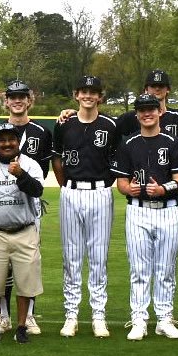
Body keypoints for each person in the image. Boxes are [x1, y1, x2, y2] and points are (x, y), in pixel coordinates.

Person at [112, 94, 178, 341]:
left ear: (159, 112)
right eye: (142, 110)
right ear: (137, 114)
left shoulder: (173, 142)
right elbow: (121, 182)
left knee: (166, 268)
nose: (147, 113)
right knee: (139, 268)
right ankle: (139, 319)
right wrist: (128, 189)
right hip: (138, 209)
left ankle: (165, 319)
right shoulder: (128, 144)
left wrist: (164, 189)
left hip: (167, 209)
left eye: (151, 109)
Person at [52, 75, 120, 338]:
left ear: (100, 96)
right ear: (76, 95)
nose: (89, 96)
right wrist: (65, 186)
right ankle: (71, 315)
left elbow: (116, 160)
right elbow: (57, 158)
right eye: (84, 91)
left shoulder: (110, 125)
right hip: (71, 191)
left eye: (94, 92)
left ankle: (98, 315)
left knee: (98, 257)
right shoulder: (64, 123)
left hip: (101, 191)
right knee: (71, 257)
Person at [0, 80, 50, 336]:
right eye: (13, 96)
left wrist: (22, 175)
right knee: (0, 271)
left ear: (29, 100)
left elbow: (40, 178)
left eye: (22, 96)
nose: (17, 100)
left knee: (29, 266)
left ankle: (28, 317)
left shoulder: (41, 131)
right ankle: (2, 316)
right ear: (6, 101)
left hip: (28, 207)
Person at [0, 123, 45, 343]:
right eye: (1, 140)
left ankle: (22, 326)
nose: (7, 144)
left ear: (18, 142)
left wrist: (21, 175)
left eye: (11, 139)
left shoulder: (30, 164)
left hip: (24, 230)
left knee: (25, 283)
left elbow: (38, 190)